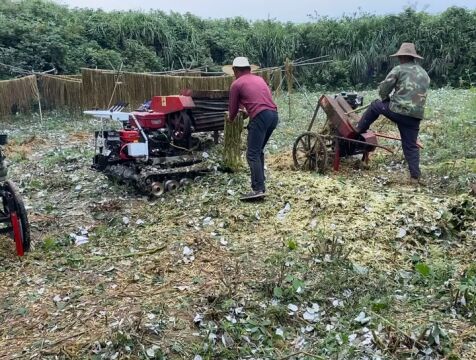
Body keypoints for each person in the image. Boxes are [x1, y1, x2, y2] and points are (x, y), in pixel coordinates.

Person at [356, 42, 430, 185]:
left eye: (400, 57)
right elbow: (417, 94)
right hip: (415, 117)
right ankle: (415, 177)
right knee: (410, 145)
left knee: (375, 105)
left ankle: (358, 129)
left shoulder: (399, 69)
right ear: (413, 57)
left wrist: (385, 99)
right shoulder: (424, 74)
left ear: (402, 56)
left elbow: (385, 88)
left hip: (398, 110)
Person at [224, 57, 279, 200]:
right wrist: (249, 112)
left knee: (252, 154)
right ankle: (261, 185)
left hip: (260, 117)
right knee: (258, 150)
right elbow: (262, 101)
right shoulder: (259, 80)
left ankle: (258, 189)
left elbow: (233, 108)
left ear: (235, 70)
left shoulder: (236, 84)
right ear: (249, 69)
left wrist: (230, 120)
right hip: (273, 115)